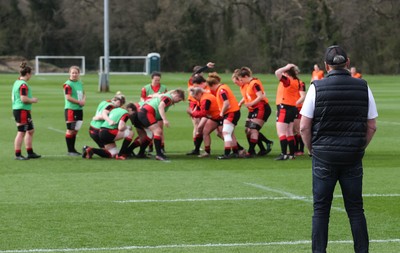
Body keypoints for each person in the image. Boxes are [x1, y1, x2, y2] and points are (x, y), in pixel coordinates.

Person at [300, 45, 378, 253]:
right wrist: (359, 147)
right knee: (355, 209)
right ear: (348, 63)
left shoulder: (316, 87)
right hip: (352, 156)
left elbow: (304, 126)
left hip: (324, 156)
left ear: (326, 66)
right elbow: (372, 126)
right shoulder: (363, 86)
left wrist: (311, 149)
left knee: (321, 210)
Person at [136, 89, 186, 161]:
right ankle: (159, 154)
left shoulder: (166, 96)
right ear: (176, 95)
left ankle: (142, 153)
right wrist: (165, 119)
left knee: (152, 133)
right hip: (146, 113)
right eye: (179, 100)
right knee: (157, 131)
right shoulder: (168, 98)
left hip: (145, 112)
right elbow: (160, 106)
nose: (178, 102)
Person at [237, 67, 273, 157]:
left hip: (262, 108)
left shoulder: (254, 83)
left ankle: (251, 151)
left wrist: (251, 103)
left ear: (245, 76)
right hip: (254, 109)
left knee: (253, 129)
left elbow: (260, 96)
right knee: (247, 130)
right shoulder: (249, 84)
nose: (241, 81)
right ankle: (264, 146)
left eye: (242, 79)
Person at [207, 72, 241, 160]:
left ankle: (227, 154)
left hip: (231, 112)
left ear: (213, 84)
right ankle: (236, 152)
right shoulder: (223, 87)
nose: (211, 89)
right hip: (233, 112)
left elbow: (226, 103)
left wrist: (221, 112)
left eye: (210, 87)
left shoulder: (221, 90)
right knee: (230, 133)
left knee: (226, 132)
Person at [11, 62, 41, 160]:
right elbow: (23, 99)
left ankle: (30, 152)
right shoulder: (23, 85)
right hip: (21, 110)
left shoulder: (17, 82)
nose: (31, 75)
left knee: (30, 130)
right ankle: (18, 154)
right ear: (27, 73)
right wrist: (33, 100)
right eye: (31, 73)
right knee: (21, 132)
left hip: (23, 110)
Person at [274, 63, 304, 160]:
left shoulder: (288, 81)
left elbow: (277, 72)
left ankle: (284, 154)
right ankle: (291, 154)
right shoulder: (296, 81)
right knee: (289, 131)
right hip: (292, 107)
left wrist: (286, 67)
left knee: (281, 132)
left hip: (284, 107)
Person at [187, 79, 223, 157]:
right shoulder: (202, 98)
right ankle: (206, 152)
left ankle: (237, 148)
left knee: (222, 134)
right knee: (204, 131)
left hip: (220, 117)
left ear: (199, 94)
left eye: (195, 97)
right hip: (213, 117)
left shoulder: (205, 99)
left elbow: (203, 113)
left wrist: (193, 113)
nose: (195, 98)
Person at [186, 62, 215, 155]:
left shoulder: (204, 84)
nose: (200, 75)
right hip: (194, 104)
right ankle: (196, 147)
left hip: (203, 104)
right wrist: (206, 67)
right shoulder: (192, 81)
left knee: (202, 127)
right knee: (197, 126)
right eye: (199, 73)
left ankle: (199, 147)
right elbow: (195, 75)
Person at [140, 71, 167, 153]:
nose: (157, 82)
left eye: (158, 80)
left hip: (158, 111)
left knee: (160, 129)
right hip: (149, 111)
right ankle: (150, 146)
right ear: (152, 79)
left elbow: (165, 99)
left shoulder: (163, 88)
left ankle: (162, 147)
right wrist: (150, 98)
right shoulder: (145, 88)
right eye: (155, 80)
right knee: (150, 129)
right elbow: (142, 99)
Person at [63, 66, 86, 156]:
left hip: (79, 109)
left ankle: (73, 149)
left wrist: (83, 100)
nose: (74, 74)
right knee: (70, 130)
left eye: (76, 73)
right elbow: (68, 97)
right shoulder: (67, 84)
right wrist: (79, 102)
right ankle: (70, 150)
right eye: (72, 73)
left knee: (76, 130)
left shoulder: (80, 82)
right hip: (71, 110)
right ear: (69, 73)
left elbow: (83, 93)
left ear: (79, 74)